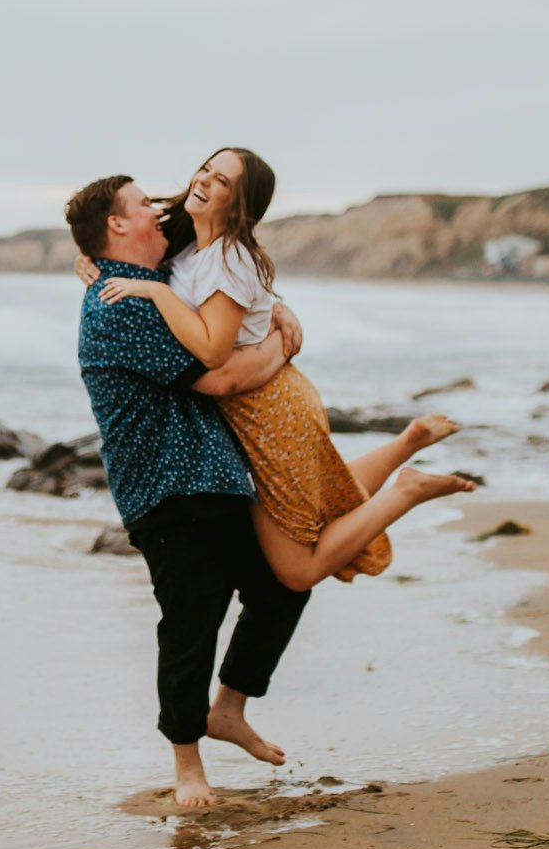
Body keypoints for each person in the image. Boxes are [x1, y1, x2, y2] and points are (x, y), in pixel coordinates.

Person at [86, 147, 474, 591]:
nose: (205, 180)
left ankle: (408, 490)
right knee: (320, 497)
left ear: (239, 205)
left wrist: (158, 296)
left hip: (267, 410)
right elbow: (132, 258)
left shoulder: (226, 258)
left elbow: (216, 358)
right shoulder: (190, 244)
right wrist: (92, 262)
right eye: (207, 169)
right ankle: (407, 445)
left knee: (297, 572)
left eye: (223, 181)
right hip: (265, 402)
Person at [65, 173, 309, 810]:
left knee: (285, 586)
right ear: (118, 225)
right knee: (189, 628)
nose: (158, 208)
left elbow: (210, 236)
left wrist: (274, 305)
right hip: (167, 487)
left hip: (219, 476)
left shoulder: (153, 273)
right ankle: (187, 767)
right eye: (142, 204)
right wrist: (283, 343)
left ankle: (227, 709)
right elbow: (220, 380)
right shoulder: (123, 304)